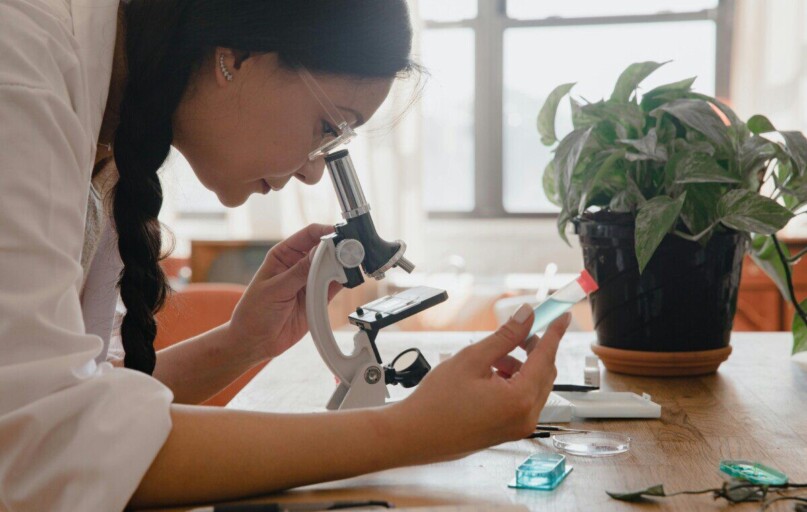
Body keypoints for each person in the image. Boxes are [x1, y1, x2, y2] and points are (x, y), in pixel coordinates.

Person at [0, 0, 571, 510]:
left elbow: (64, 405)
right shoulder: (23, 63)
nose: (313, 168)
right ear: (237, 56)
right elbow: (45, 451)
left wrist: (240, 343)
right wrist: (413, 431)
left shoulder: (106, 112)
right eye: (328, 127)